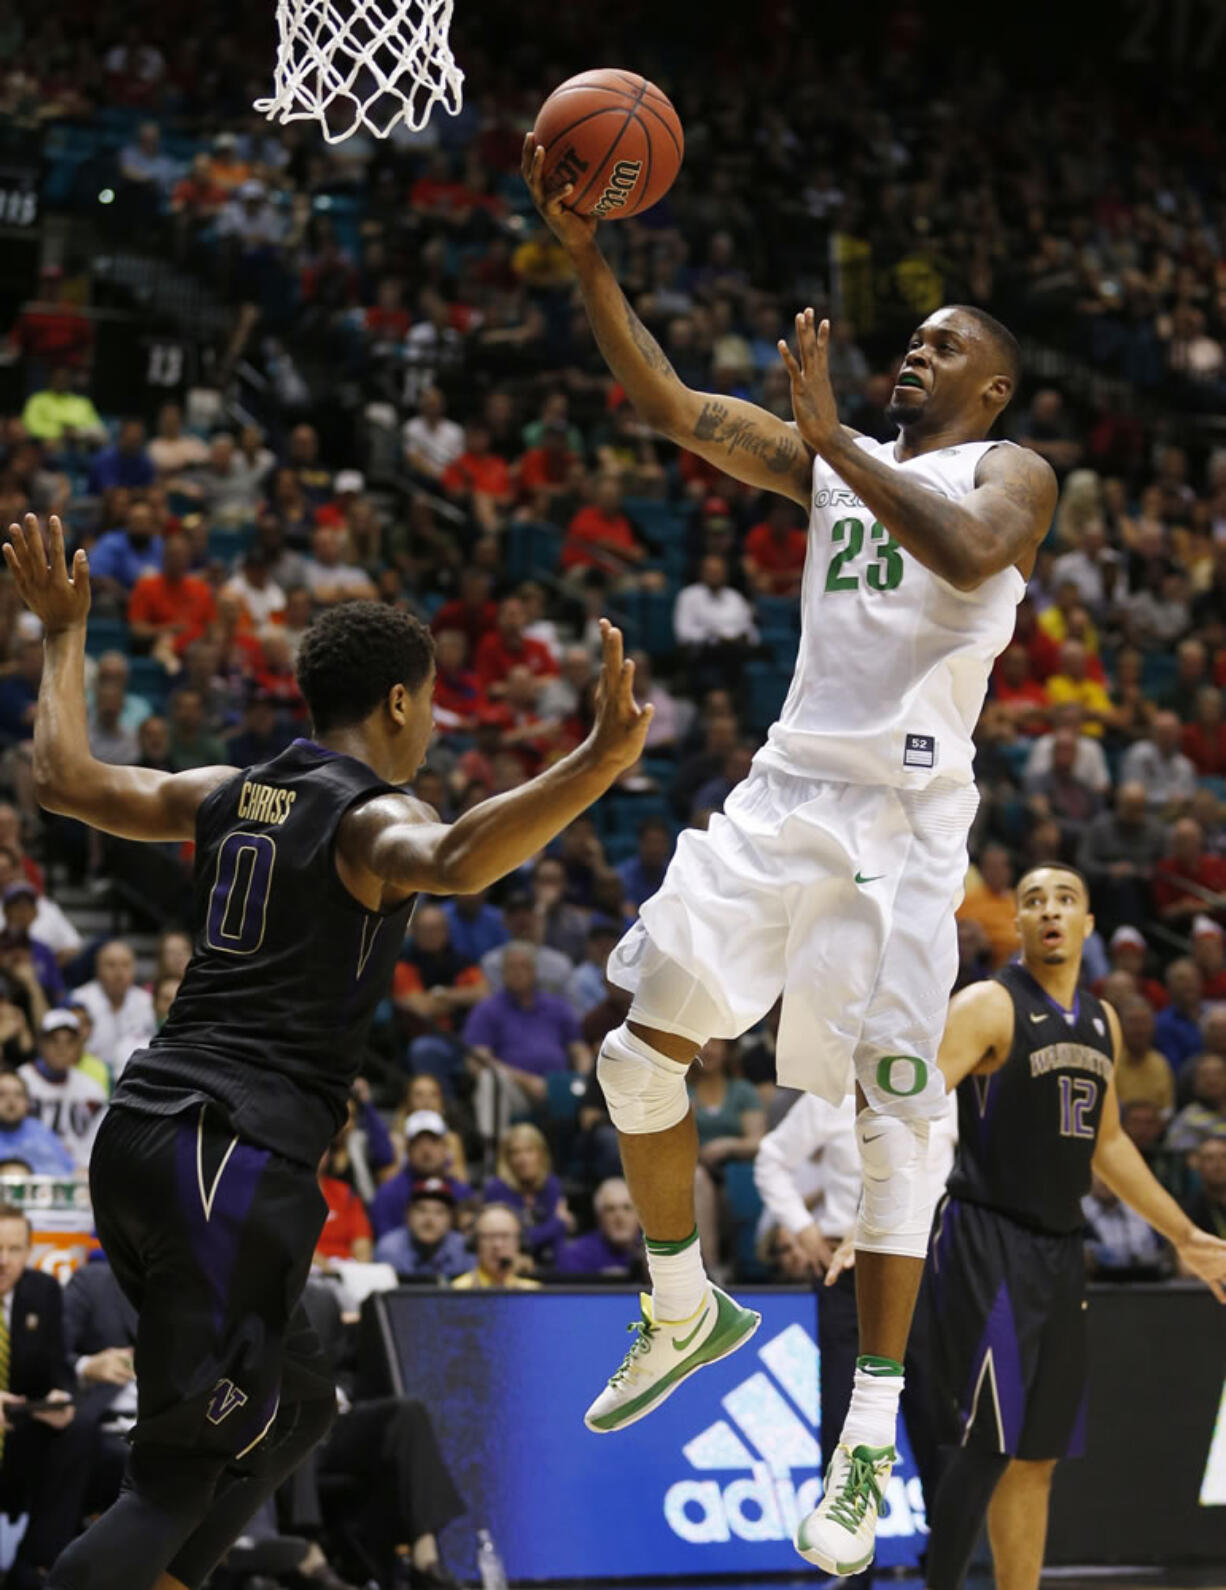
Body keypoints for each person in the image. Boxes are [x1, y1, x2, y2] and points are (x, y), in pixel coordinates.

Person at [524, 141, 1058, 1577]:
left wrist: (831, 444)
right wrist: (587, 257)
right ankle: (682, 1300)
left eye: (942, 344)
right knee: (638, 1057)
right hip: (782, 798)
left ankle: (869, 1431)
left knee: (893, 1123)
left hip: (899, 834)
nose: (913, 350)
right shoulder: (838, 454)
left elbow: (960, 556)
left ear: (988, 389)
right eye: (910, 337)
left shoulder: (1010, 472)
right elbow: (673, 406)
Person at [2, 511, 650, 1590]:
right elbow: (448, 857)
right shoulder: (368, 820)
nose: (436, 726)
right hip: (231, 1154)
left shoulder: (223, 793)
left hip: (143, 1135)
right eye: (434, 703)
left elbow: (65, 778)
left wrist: (62, 636)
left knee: (294, 1405)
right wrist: (593, 761)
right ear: (399, 701)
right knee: (170, 1475)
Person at [921, 864, 1226, 1590]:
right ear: (1017, 925)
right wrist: (871, 1221)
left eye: (1066, 901)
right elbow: (914, 1110)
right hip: (985, 1236)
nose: (1050, 911)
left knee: (1036, 1456)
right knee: (988, 1443)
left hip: (1061, 1250)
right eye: (1033, 902)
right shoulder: (988, 1005)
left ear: (1088, 925)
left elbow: (1109, 1142)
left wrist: (1183, 1235)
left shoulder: (1103, 1021)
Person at [19, 1008, 107, 1171]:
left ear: (79, 1046)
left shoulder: (92, 1090)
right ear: (40, 1043)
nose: (62, 1048)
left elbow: (99, 1143)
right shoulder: (19, 1082)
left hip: (77, 1179)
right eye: (54, 1040)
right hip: (25, 1171)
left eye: (70, 1042)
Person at [373, 1177, 469, 1282]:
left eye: (439, 1212)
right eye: (421, 1210)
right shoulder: (390, 1250)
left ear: (451, 1219)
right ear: (408, 1215)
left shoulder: (464, 1249)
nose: (429, 1220)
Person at [555, 1177, 645, 1280]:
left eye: (627, 1208)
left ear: (639, 1216)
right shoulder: (576, 1255)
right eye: (610, 1209)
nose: (620, 1217)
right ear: (599, 1217)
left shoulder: (653, 1252)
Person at [0, 1069, 76, 1175]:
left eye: (18, 1094)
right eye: (2, 1094)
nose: (11, 1101)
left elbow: (71, 1170)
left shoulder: (40, 1130)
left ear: (27, 1102)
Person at [451, 1202, 541, 1290]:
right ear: (475, 1243)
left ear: (520, 1242)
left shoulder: (534, 1293)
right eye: (489, 1237)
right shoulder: (457, 1292)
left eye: (505, 1236)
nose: (497, 1245)